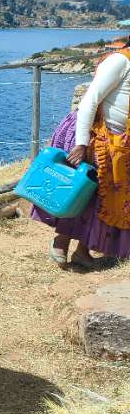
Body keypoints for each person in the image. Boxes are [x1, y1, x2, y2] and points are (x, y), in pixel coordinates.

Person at [32, 43, 130, 266]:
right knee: (82, 191)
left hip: (119, 144)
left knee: (102, 199)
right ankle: (61, 243)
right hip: (94, 136)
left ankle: (82, 251)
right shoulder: (121, 61)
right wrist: (81, 143)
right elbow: (89, 101)